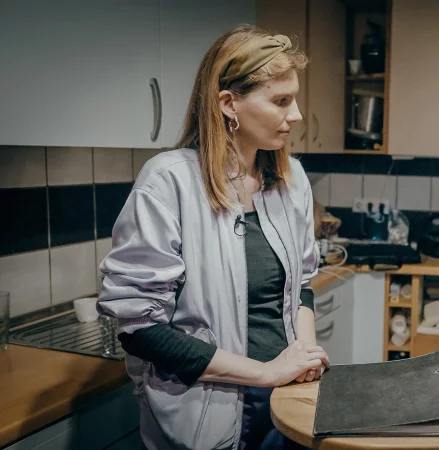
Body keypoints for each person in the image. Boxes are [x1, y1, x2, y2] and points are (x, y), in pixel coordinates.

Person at [96, 25, 328, 449]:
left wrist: (304, 356)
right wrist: (266, 372)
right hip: (209, 410)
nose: (295, 114)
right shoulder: (169, 182)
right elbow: (140, 328)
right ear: (229, 103)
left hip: (285, 402)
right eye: (281, 101)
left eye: (293, 99)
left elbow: (303, 286)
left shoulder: (291, 180)